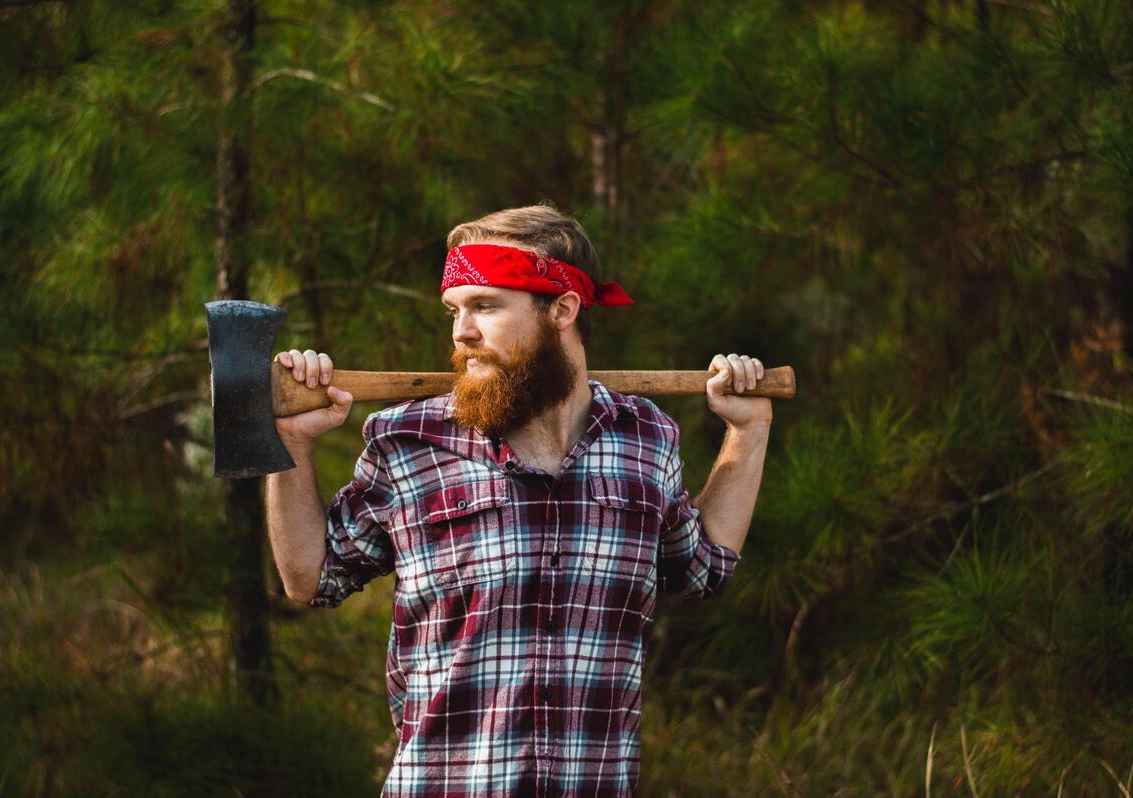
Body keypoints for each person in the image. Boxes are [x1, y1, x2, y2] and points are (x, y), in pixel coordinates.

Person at [266, 204, 772, 797]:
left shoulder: (645, 439)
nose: (461, 332)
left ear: (562, 309)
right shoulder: (407, 443)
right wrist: (293, 442)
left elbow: (703, 566)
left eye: (485, 306)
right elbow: (310, 578)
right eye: (455, 310)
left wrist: (749, 430)